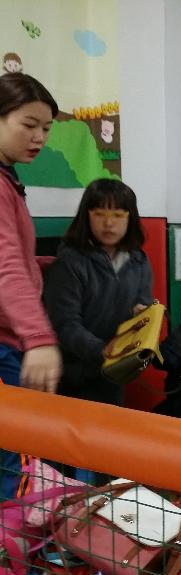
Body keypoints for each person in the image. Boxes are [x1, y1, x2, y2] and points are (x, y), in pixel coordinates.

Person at [43, 179, 153, 408]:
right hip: (70, 378)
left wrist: (143, 315)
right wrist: (103, 351)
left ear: (130, 218)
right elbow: (64, 324)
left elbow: (144, 307)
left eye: (118, 215)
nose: (109, 223)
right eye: (99, 214)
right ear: (86, 217)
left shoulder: (138, 261)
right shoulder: (70, 262)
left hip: (113, 376)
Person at [0, 72, 61, 393]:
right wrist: (38, 337)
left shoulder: (8, 178)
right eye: (29, 125)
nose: (39, 138)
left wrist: (43, 265)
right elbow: (5, 266)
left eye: (46, 128)